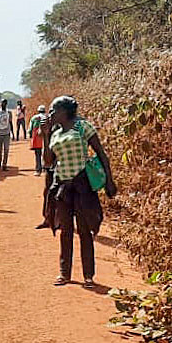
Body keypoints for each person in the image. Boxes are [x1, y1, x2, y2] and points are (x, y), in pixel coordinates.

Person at [44, 96, 117, 288]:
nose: (50, 114)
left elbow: (101, 154)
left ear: (64, 111)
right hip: (62, 185)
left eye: (53, 110)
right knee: (65, 230)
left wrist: (109, 180)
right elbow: (48, 161)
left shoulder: (83, 127)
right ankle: (64, 273)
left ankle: (88, 276)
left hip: (82, 185)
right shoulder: (55, 133)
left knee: (84, 231)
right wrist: (45, 135)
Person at [29, 104, 48, 176]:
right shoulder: (47, 117)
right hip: (46, 138)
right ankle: (45, 168)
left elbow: (30, 129)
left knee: (38, 154)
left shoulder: (34, 118)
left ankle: (38, 170)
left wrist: (31, 136)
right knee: (46, 153)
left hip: (37, 138)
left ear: (38, 111)